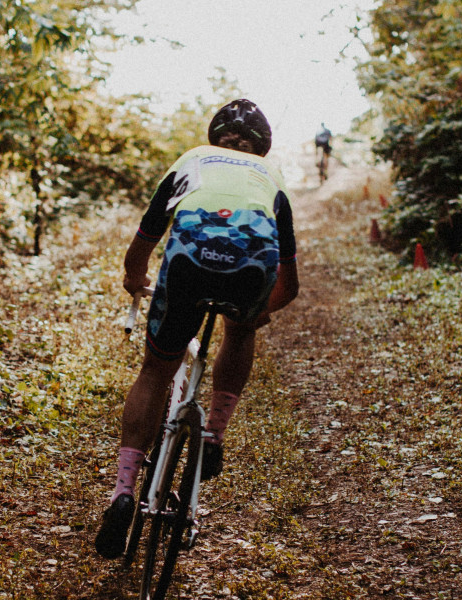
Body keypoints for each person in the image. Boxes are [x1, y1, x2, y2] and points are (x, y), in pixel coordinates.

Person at [94, 99, 300, 559]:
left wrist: (134, 279)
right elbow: (289, 286)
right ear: (261, 147)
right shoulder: (271, 177)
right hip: (251, 267)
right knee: (240, 331)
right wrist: (255, 313)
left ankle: (124, 491)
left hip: (186, 262)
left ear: (215, 137)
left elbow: (145, 239)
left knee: (155, 371)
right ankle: (214, 435)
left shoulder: (192, 159)